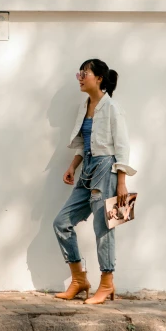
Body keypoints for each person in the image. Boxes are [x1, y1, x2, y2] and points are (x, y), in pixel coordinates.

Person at [52, 59, 136, 304]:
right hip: (88, 168)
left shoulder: (111, 107)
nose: (80, 77)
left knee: (104, 227)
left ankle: (107, 283)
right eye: (79, 73)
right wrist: (72, 166)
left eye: (84, 73)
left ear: (99, 78)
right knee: (61, 223)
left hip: (106, 168)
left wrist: (121, 182)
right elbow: (83, 143)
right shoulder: (84, 106)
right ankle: (79, 280)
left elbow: (122, 146)